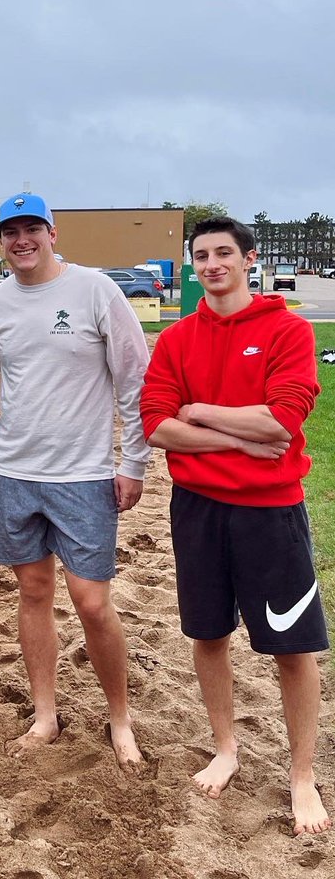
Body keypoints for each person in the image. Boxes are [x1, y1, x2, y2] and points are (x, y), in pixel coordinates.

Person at [141, 217, 330, 835]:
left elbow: (282, 421)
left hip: (270, 511)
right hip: (198, 508)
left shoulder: (287, 329)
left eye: (225, 253)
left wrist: (199, 413)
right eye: (202, 255)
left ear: (249, 258)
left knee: (292, 647)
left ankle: (302, 776)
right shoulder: (176, 339)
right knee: (208, 634)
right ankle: (226, 747)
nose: (212, 264)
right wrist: (238, 441)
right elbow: (156, 425)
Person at [0, 192, 150, 771]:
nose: (21, 241)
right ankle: (45, 714)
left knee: (92, 603)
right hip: (14, 471)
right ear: (1, 240)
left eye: (31, 229)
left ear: (51, 232)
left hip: (85, 473)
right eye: (10, 232)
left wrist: (133, 463)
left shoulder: (96, 290)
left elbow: (134, 380)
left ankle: (119, 716)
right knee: (34, 593)